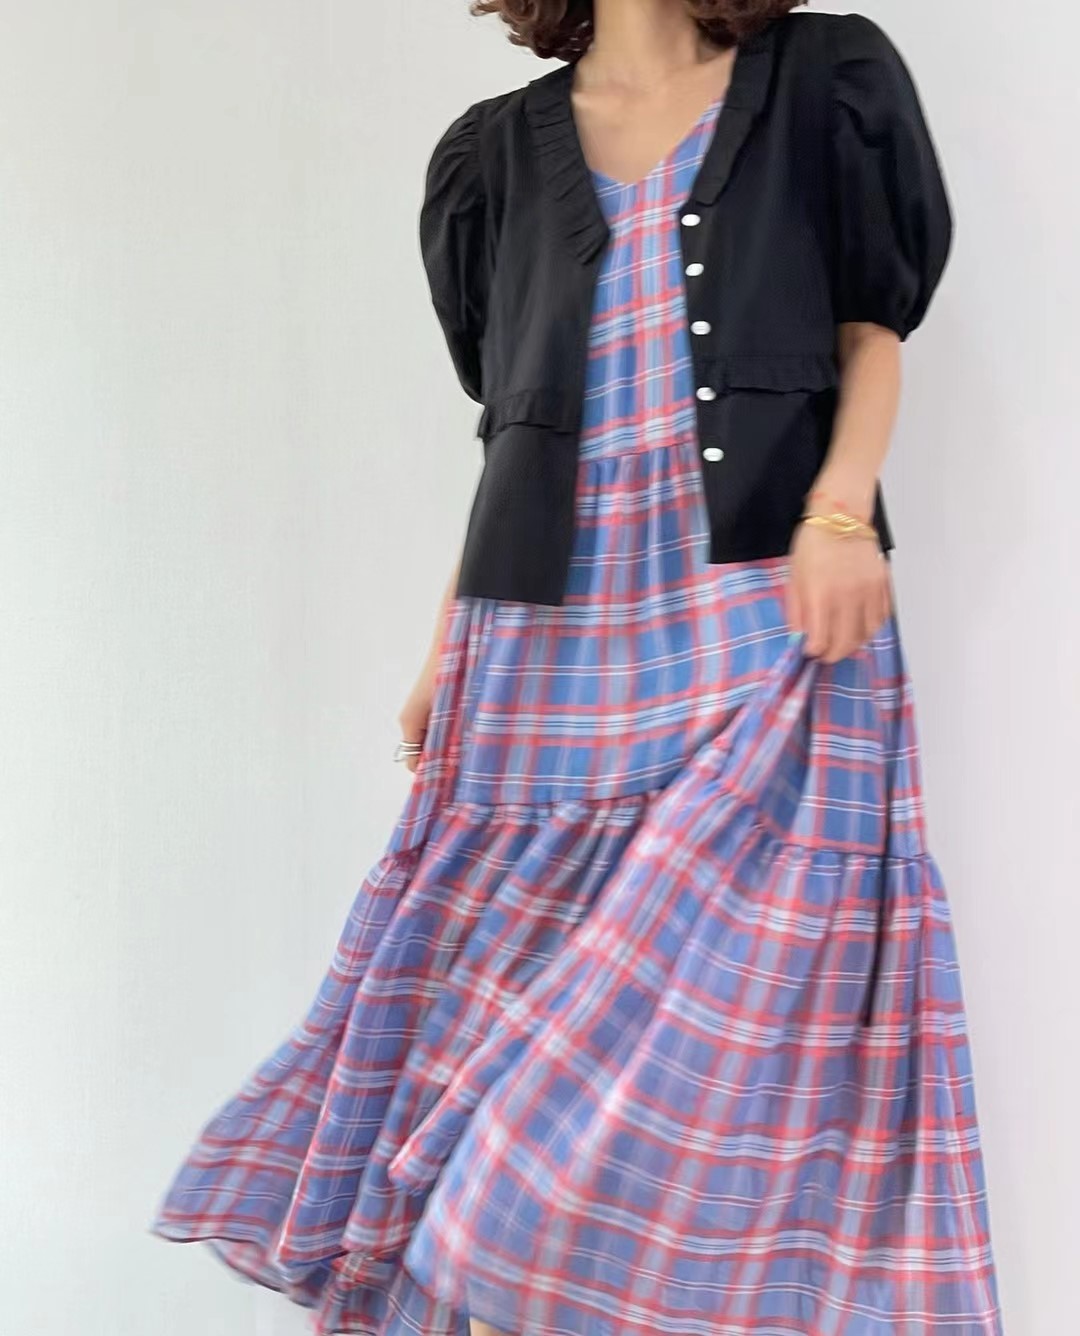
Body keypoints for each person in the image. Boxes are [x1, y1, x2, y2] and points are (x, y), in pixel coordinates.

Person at [153, 3, 1004, 1333]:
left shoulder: (826, 79)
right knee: (496, 1015)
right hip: (546, 639)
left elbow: (869, 331)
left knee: (747, 1006)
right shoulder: (491, 157)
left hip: (769, 610)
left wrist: (842, 511)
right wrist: (446, 646)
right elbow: (516, 427)